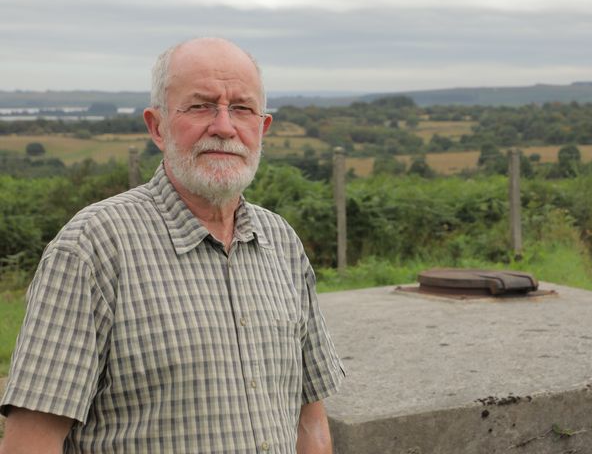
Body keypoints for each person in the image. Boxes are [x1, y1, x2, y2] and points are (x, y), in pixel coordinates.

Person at [0, 37, 345, 453]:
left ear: (262, 127)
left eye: (241, 108)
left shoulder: (282, 244)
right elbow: (30, 443)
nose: (223, 125)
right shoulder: (91, 248)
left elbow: (311, 423)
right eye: (200, 106)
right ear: (157, 126)